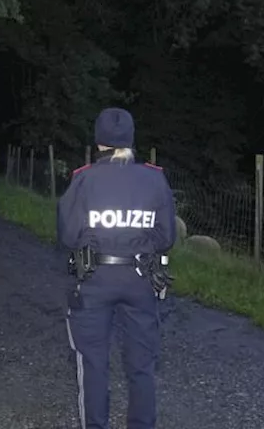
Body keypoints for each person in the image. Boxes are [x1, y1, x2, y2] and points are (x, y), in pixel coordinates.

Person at [57, 107, 177, 429]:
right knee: (142, 366)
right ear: (131, 141)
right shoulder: (154, 178)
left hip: (94, 280)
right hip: (141, 280)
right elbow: (166, 237)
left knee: (93, 363)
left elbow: (68, 235)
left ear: (99, 143)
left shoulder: (84, 179)